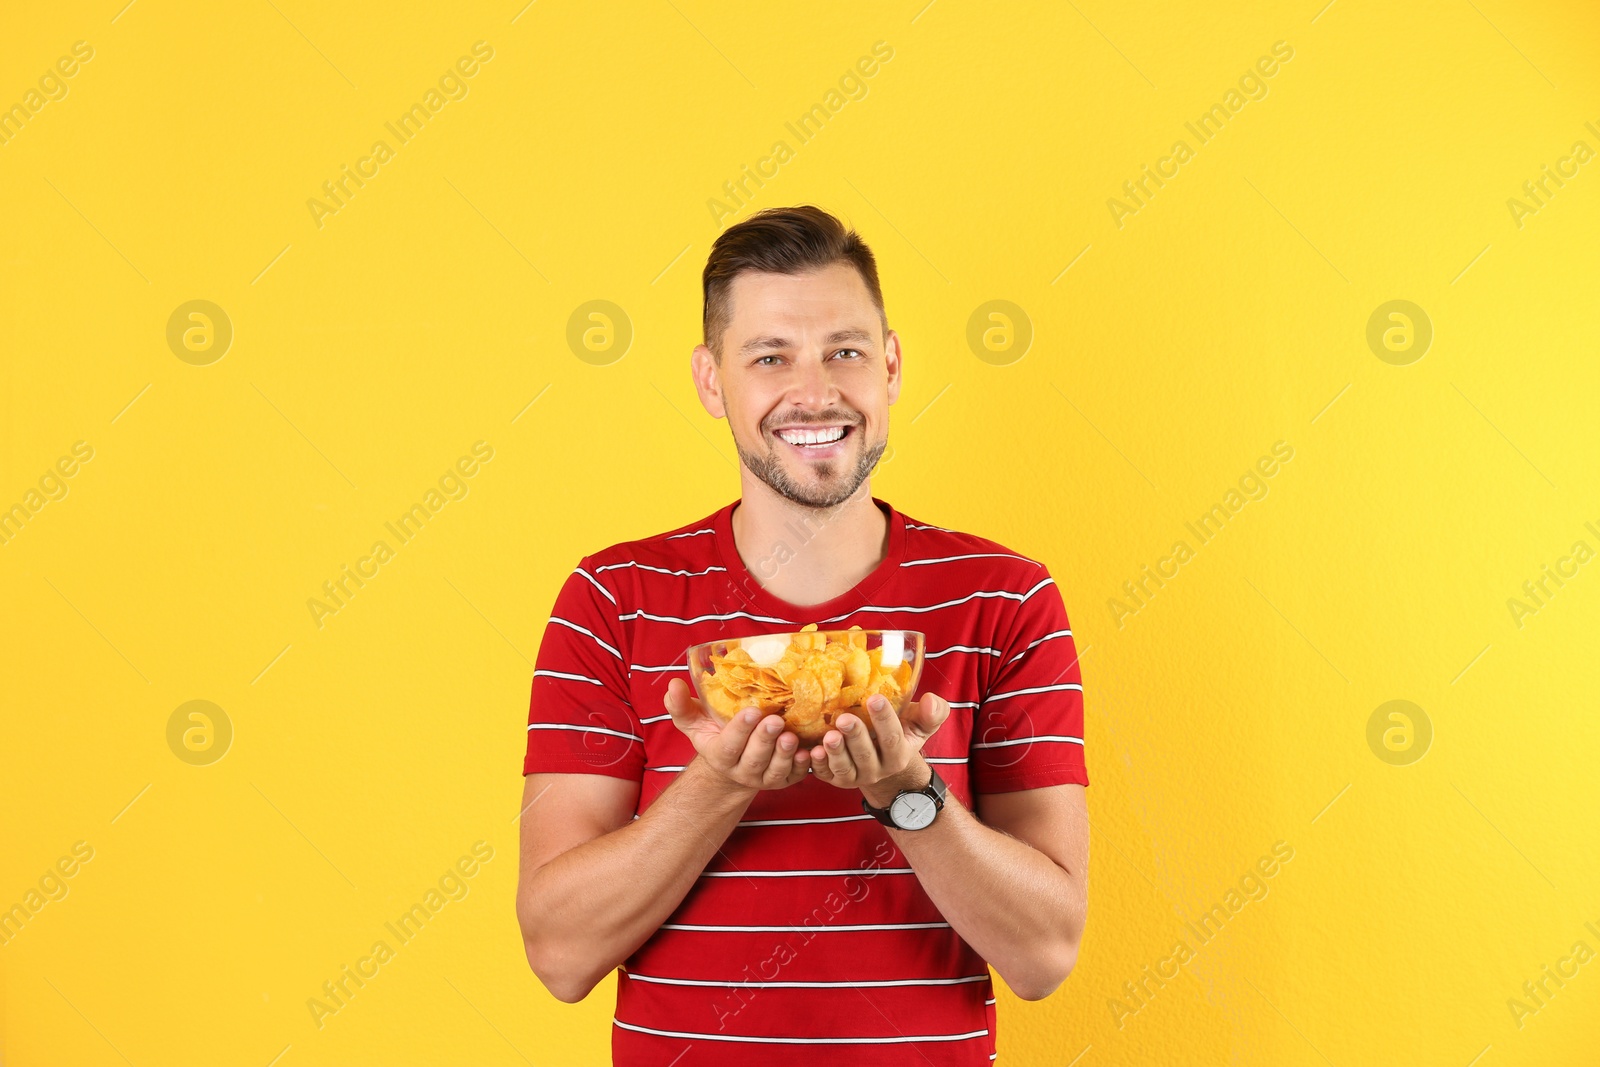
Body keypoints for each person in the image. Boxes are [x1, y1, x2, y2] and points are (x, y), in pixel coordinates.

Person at [515, 205, 1089, 1065]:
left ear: (891, 366)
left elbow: (1045, 954)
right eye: (771, 356)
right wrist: (719, 783)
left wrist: (907, 790)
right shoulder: (613, 598)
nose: (815, 392)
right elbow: (559, 954)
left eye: (845, 351)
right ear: (713, 381)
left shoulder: (1005, 599)